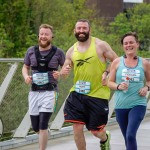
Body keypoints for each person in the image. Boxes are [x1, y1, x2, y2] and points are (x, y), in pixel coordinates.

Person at [60, 19, 118, 150]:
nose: (81, 31)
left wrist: (106, 72)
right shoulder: (71, 51)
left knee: (96, 131)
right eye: (78, 28)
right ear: (74, 31)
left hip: (98, 94)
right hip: (77, 94)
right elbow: (64, 74)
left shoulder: (100, 45)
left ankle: (105, 138)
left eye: (84, 28)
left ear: (89, 30)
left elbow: (116, 60)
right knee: (77, 127)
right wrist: (63, 72)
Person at [22, 24, 65, 150]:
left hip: (50, 91)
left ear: (51, 36)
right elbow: (25, 66)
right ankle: (45, 133)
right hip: (34, 91)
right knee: (36, 127)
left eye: (46, 34)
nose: (43, 36)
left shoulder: (58, 52)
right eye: (41, 34)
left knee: (43, 124)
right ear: (38, 35)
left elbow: (66, 67)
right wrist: (26, 77)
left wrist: (60, 73)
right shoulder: (31, 51)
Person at [107, 32, 150, 150]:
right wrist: (118, 86)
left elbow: (149, 81)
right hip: (121, 105)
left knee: (131, 135)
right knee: (127, 137)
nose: (128, 45)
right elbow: (109, 82)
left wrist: (146, 88)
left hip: (138, 103)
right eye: (125, 43)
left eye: (131, 42)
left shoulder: (144, 63)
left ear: (137, 44)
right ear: (123, 46)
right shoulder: (117, 62)